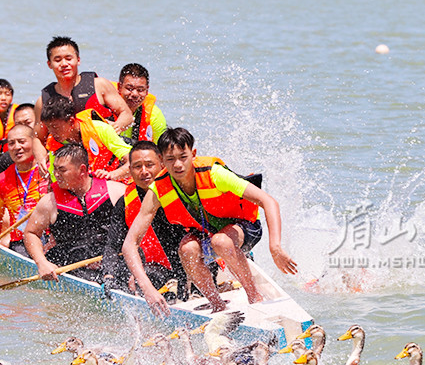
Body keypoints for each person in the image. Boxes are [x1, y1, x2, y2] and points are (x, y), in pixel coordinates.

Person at [123, 127, 298, 316]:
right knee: (187, 249)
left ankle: (254, 297)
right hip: (208, 231)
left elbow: (268, 201)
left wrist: (275, 247)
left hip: (245, 227)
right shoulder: (158, 188)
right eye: (170, 159)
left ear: (193, 154)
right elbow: (129, 244)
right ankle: (217, 305)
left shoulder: (214, 174)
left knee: (221, 241)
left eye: (183, 157)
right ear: (162, 161)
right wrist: (147, 287)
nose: (178, 165)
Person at [23, 143, 125, 283]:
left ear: (82, 169)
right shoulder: (49, 203)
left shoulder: (116, 192)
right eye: (55, 169)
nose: (55, 174)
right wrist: (42, 263)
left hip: (110, 268)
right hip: (68, 271)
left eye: (62, 170)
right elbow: (31, 233)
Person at [105, 140, 188, 297]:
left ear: (162, 164)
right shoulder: (125, 203)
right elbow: (113, 245)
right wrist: (109, 276)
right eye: (137, 166)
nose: (144, 171)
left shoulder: (182, 190)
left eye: (149, 165)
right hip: (160, 269)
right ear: (129, 170)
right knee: (125, 273)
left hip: (194, 261)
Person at [33, 36, 132, 143]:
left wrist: (114, 129)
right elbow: (38, 138)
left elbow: (127, 115)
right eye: (57, 60)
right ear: (49, 64)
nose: (64, 64)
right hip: (68, 155)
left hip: (103, 148)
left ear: (78, 60)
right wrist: (41, 158)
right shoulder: (43, 101)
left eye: (69, 58)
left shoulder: (99, 85)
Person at [0, 125, 49, 257]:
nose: (17, 147)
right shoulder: (0, 181)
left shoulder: (50, 170)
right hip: (21, 242)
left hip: (51, 237)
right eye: (11, 143)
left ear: (34, 142)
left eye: (22, 141)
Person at [40, 95, 131, 181]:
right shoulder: (54, 144)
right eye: (49, 128)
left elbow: (133, 161)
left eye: (56, 127)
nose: (52, 133)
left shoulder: (100, 129)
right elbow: (56, 179)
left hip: (117, 180)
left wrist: (111, 175)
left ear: (71, 121)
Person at [117, 63, 167, 144]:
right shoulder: (104, 107)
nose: (135, 94)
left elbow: (163, 152)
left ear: (147, 91)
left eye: (140, 90)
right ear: (119, 87)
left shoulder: (154, 116)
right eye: (129, 88)